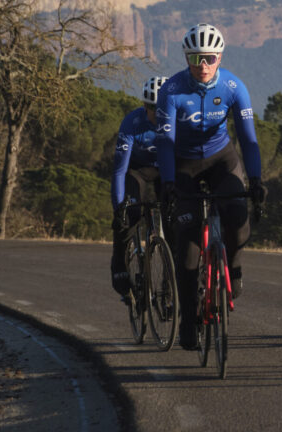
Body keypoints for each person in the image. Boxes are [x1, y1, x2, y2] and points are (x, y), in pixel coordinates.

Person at [155, 23, 266, 350]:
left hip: (221, 158)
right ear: (186, 58)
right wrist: (169, 183)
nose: (202, 65)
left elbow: (248, 139)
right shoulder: (171, 91)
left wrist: (256, 179)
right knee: (188, 247)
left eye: (210, 58)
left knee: (238, 219)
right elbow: (164, 142)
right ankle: (189, 321)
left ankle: (234, 265)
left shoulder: (234, 87)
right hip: (183, 163)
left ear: (220, 58)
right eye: (195, 58)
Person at [110, 76, 169, 297]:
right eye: (154, 108)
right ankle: (119, 260)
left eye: (164, 108)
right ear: (145, 106)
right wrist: (119, 207)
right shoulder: (132, 123)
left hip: (166, 171)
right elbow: (119, 170)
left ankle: (171, 280)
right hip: (137, 170)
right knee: (130, 213)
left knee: (175, 218)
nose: (159, 113)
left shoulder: (180, 121)